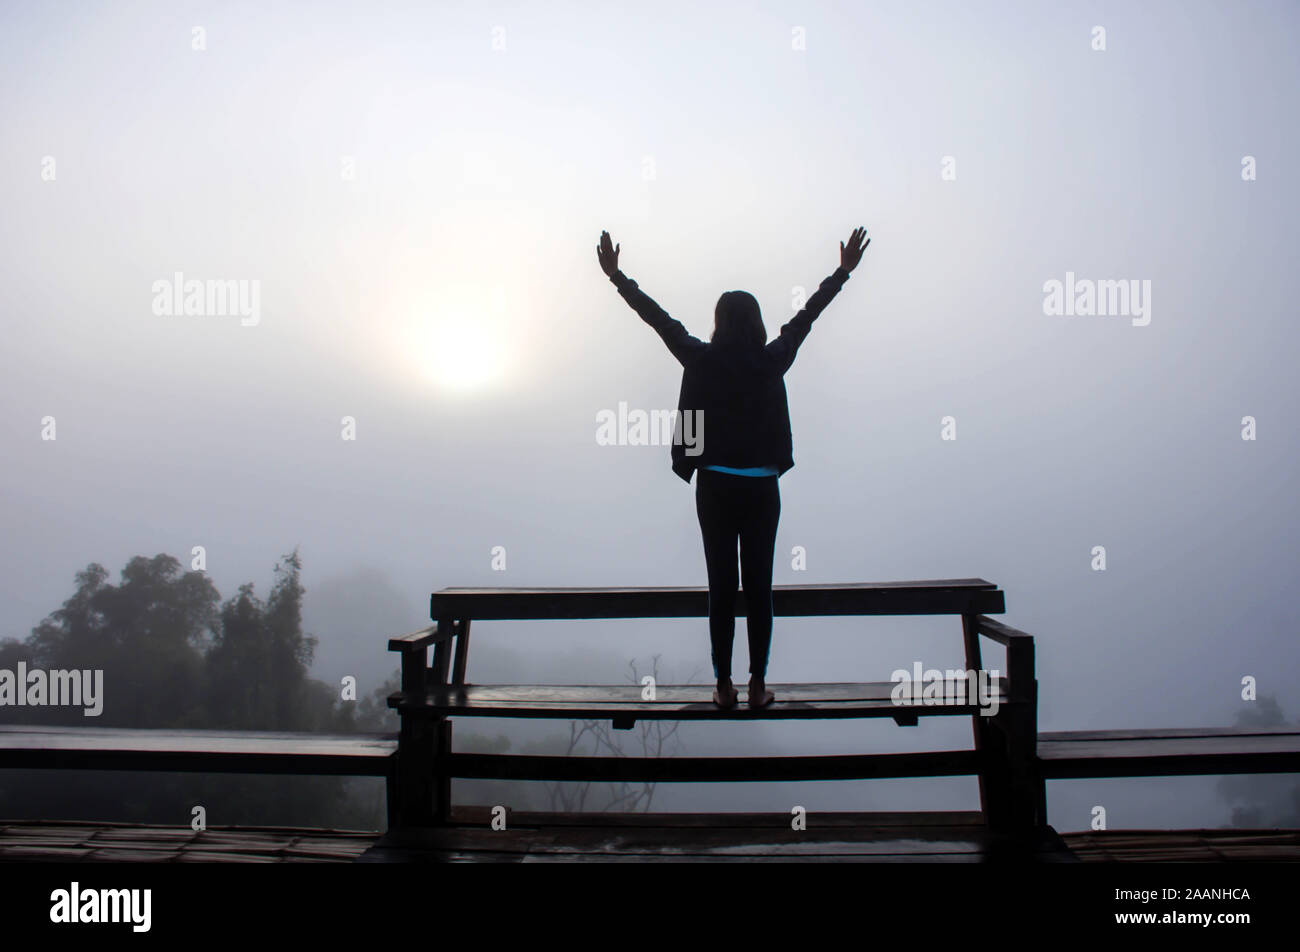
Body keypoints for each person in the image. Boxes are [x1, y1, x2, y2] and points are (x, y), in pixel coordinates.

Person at [597, 227, 870, 709]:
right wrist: (843, 272)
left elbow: (659, 320)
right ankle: (758, 685)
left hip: (715, 489)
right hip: (762, 489)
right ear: (757, 322)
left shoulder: (699, 357)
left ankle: (723, 686)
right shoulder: (772, 360)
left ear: (719, 322)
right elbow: (806, 318)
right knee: (758, 588)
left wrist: (619, 278)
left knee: (721, 587)